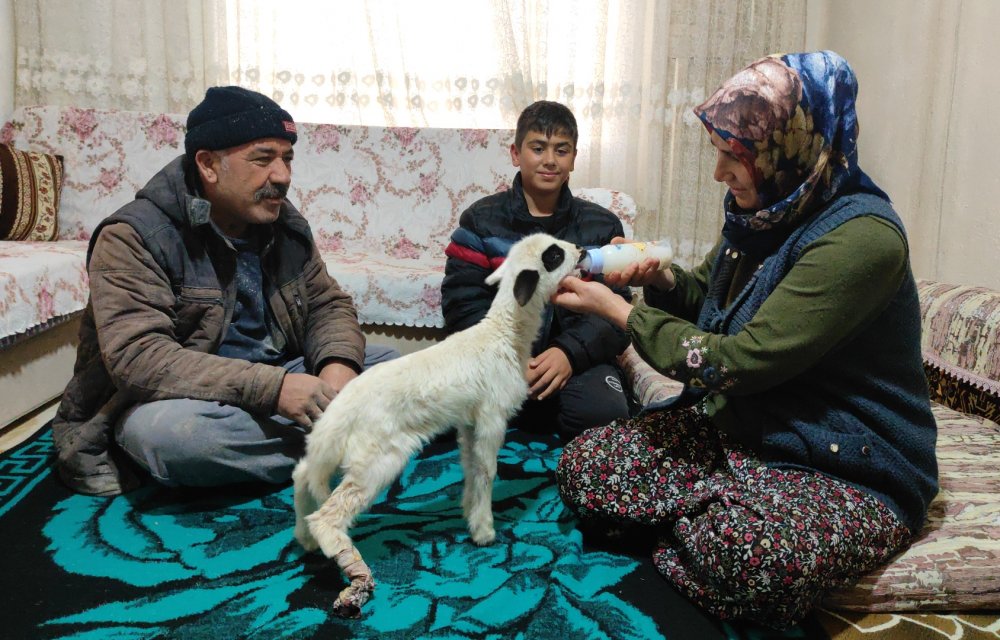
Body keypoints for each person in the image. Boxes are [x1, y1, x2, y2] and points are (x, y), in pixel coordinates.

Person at [550, 51, 938, 628]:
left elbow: (739, 360)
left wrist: (622, 315)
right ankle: (718, 509)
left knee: (743, 554)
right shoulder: (766, 211)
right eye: (720, 154)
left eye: (735, 157)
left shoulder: (862, 239)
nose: (719, 175)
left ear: (792, 145)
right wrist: (660, 278)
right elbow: (710, 300)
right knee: (589, 464)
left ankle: (712, 519)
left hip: (845, 464)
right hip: (749, 432)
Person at [52, 86, 398, 496]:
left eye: (287, 158)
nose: (283, 176)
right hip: (181, 400)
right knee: (180, 441)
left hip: (278, 378)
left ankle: (337, 438)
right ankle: (356, 441)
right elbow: (139, 359)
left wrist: (337, 368)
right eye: (263, 158)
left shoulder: (282, 220)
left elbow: (326, 304)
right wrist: (273, 390)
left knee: (394, 368)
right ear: (209, 165)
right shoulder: (134, 236)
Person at [441, 100, 633, 441]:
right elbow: (461, 303)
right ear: (516, 153)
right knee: (441, 413)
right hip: (496, 359)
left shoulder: (601, 226)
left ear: (574, 157)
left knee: (607, 416)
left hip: (575, 364)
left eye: (561, 150)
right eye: (538, 148)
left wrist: (568, 354)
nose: (549, 160)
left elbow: (615, 313)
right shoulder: (480, 221)